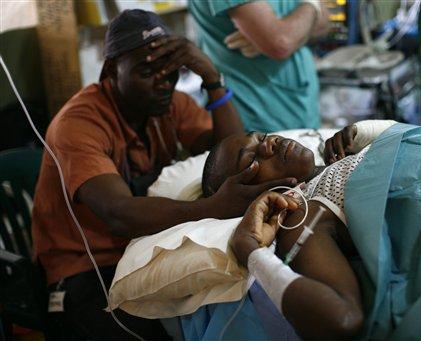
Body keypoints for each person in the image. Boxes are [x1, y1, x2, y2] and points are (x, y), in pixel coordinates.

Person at [31, 9, 297, 340]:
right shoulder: (80, 124)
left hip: (140, 247)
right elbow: (119, 214)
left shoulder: (167, 105)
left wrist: (212, 79)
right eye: (146, 71)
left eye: (170, 71)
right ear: (112, 69)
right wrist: (214, 207)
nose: (162, 82)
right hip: (86, 269)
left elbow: (229, 152)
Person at [204, 120, 421, 339]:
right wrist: (252, 252)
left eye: (260, 137)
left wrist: (371, 131)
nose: (269, 143)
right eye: (253, 157)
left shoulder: (345, 152)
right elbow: (342, 319)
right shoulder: (302, 212)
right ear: (248, 195)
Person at [188, 0, 329, 132]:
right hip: (253, 115)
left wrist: (291, 33)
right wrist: (311, 7)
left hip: (302, 110)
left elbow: (324, 24)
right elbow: (281, 43)